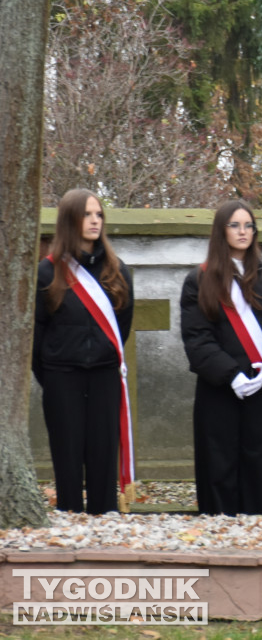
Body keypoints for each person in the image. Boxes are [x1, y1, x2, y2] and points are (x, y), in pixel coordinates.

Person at [180, 199, 262, 516]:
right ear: (220, 231)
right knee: (218, 467)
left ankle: (261, 540)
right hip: (218, 393)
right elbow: (197, 338)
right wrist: (231, 374)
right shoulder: (199, 280)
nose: (243, 231)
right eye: (234, 225)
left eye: (248, 225)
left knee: (259, 469)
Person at [33, 189, 134, 514]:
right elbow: (37, 332)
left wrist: (103, 355)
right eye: (86, 214)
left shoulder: (118, 271)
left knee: (104, 454)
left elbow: (122, 328)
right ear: (69, 221)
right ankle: (70, 520)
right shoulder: (47, 273)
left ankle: (105, 522)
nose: (94, 221)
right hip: (62, 377)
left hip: (105, 375)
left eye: (98, 215)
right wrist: (52, 372)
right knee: (67, 455)